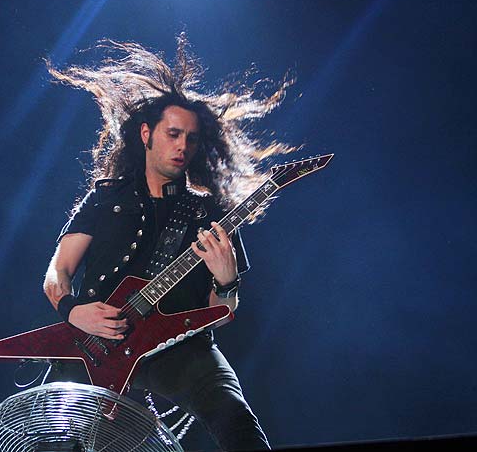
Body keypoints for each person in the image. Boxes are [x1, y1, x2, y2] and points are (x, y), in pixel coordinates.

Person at [42, 34, 297, 451]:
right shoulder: (107, 198)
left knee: (237, 424)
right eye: (173, 134)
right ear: (147, 133)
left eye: (191, 139)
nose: (182, 146)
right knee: (61, 442)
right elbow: (58, 272)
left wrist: (227, 281)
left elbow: (222, 313)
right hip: (99, 343)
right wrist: (73, 312)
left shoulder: (209, 213)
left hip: (178, 347)